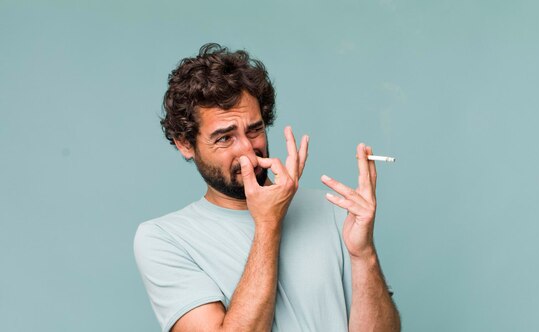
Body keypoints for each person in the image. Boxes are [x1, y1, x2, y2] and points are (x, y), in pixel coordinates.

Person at [134, 43, 401, 332]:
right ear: (185, 144)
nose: (248, 151)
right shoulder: (164, 239)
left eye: (254, 130)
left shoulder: (334, 210)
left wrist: (364, 254)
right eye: (225, 138)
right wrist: (267, 223)